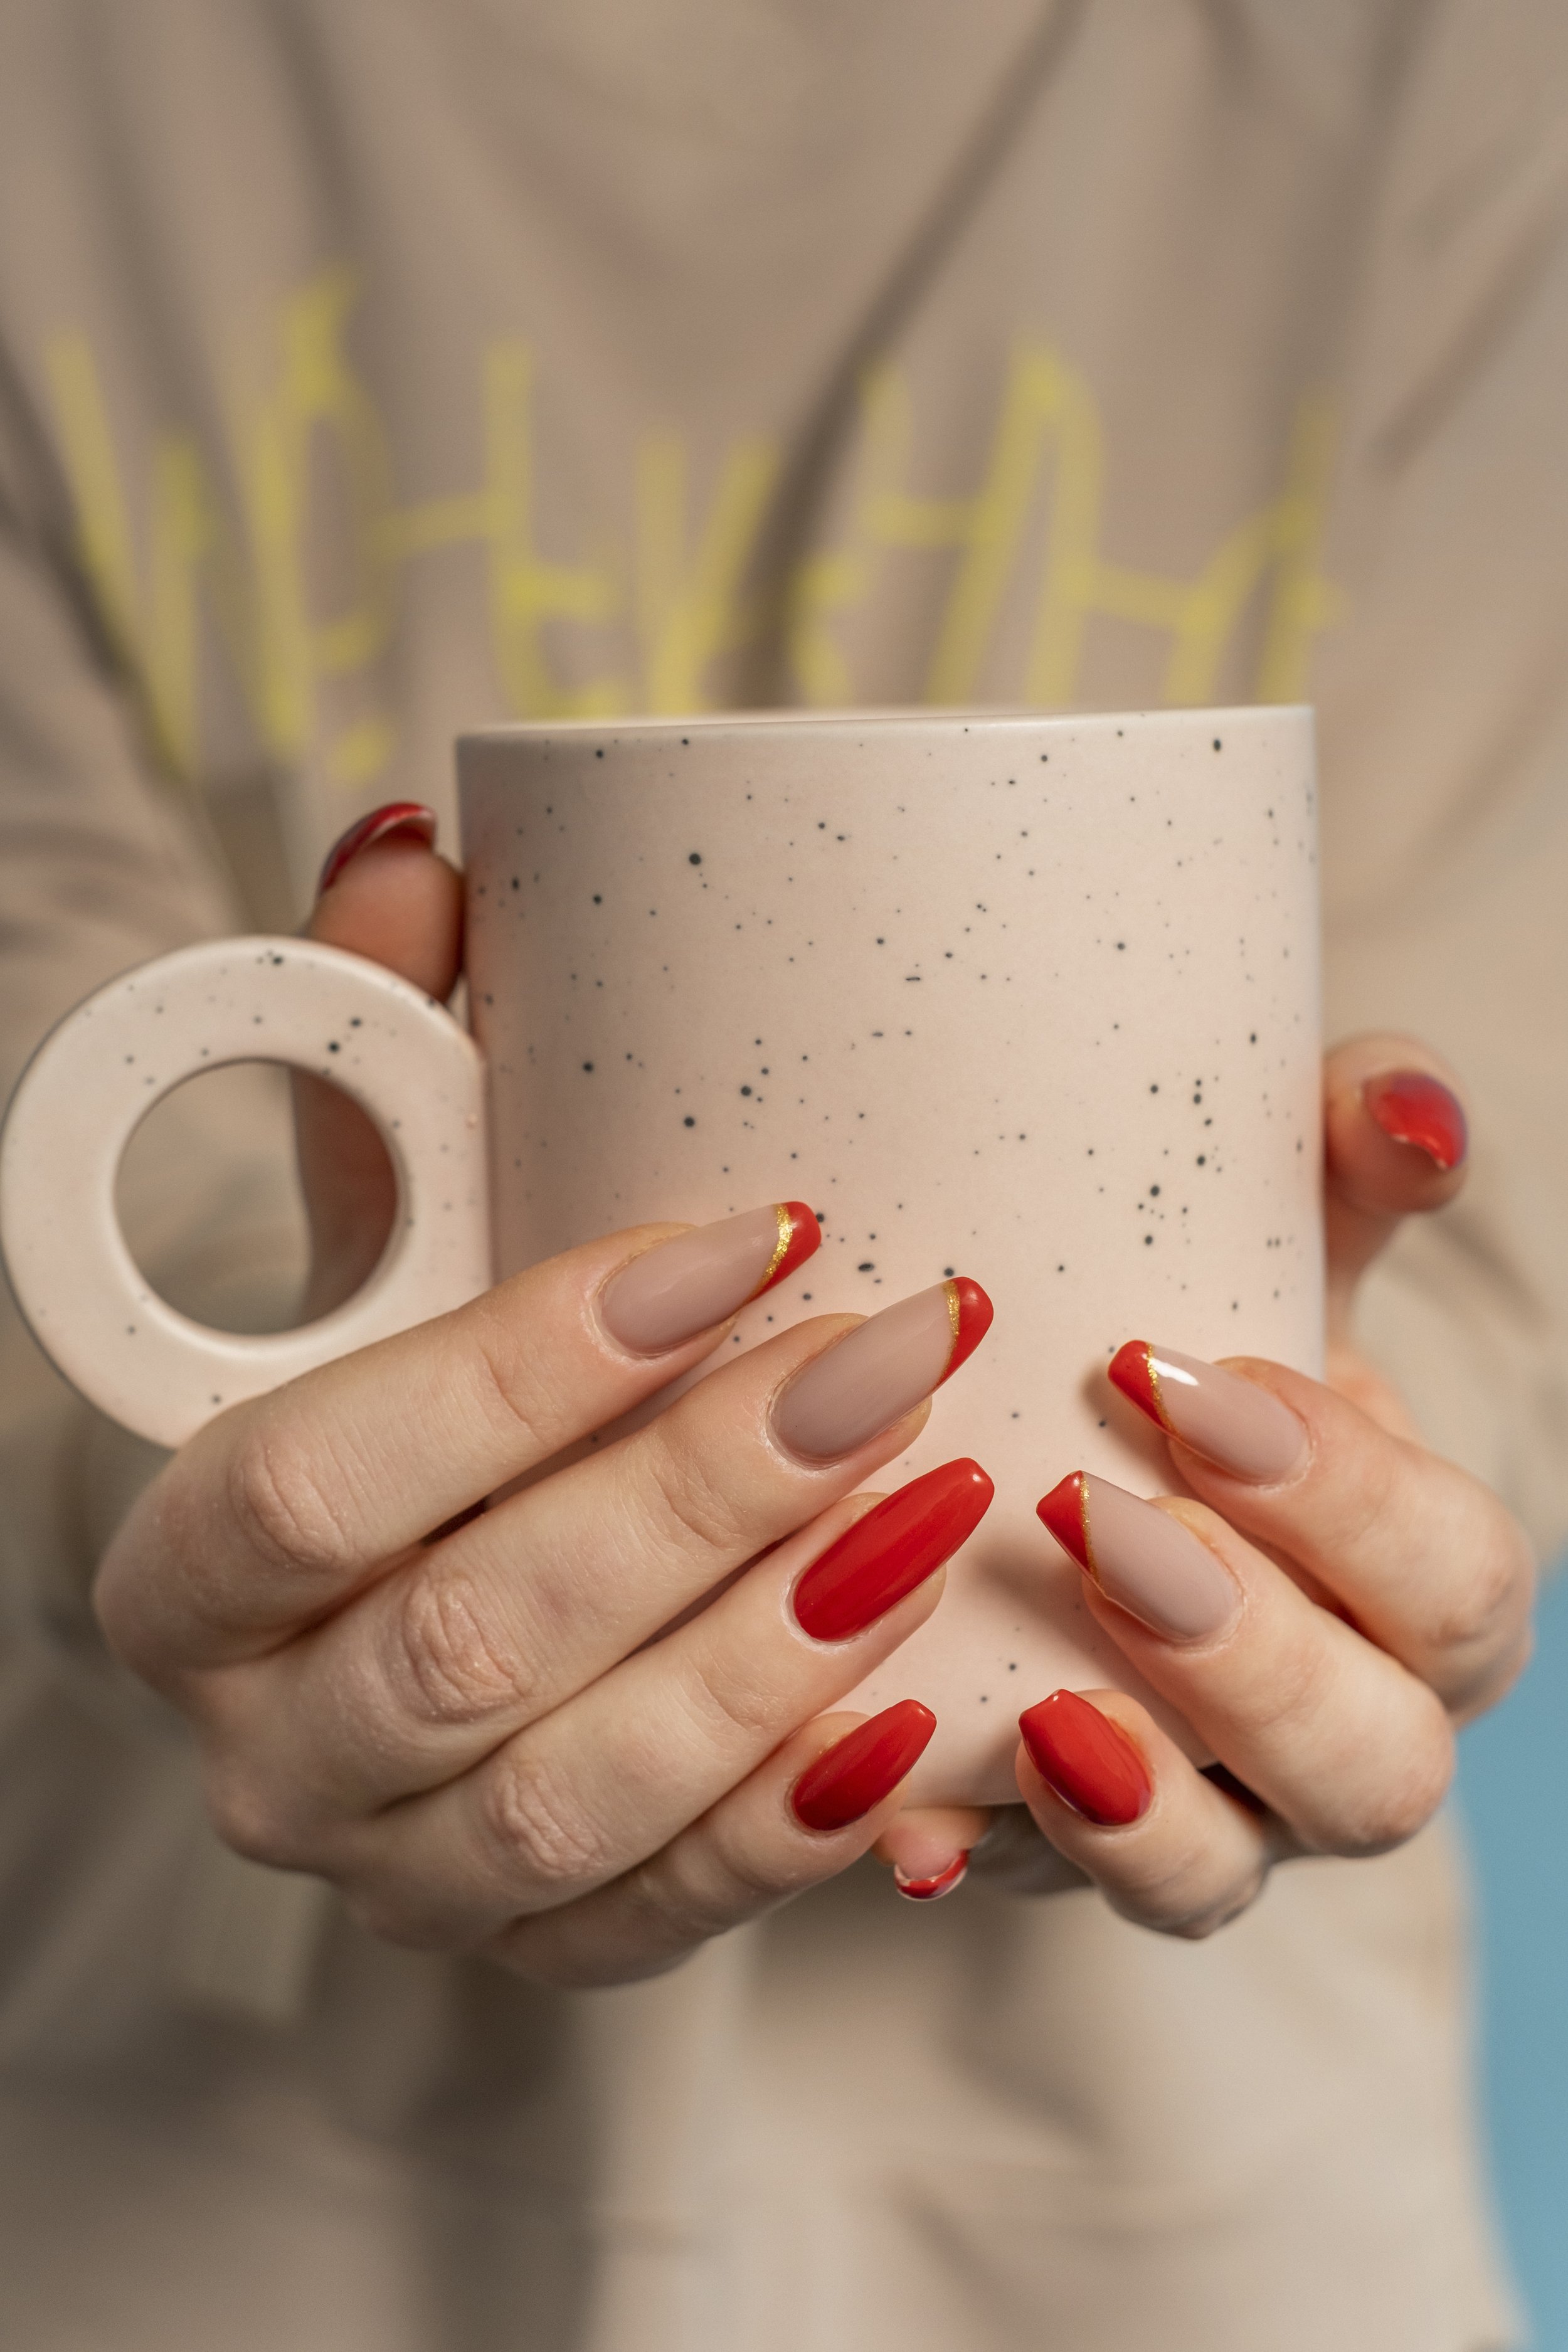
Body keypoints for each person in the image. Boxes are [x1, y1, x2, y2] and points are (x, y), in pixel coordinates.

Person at [0, 4, 1563, 2347]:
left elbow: (1484, 1188)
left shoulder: (1469, 70)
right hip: (190, 2183)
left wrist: (1362, 1497)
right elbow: (65, 1068)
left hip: (1178, 2219)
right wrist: (245, 1490)